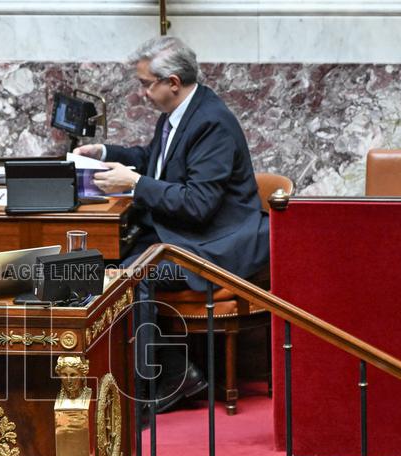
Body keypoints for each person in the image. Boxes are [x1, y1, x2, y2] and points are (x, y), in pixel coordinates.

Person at [74, 36, 268, 414]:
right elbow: (156, 161)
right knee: (105, 262)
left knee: (134, 276)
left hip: (215, 244)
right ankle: (178, 372)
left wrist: (134, 185)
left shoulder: (212, 123)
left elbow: (198, 204)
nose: (143, 92)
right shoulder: (179, 114)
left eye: (147, 84)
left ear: (173, 82)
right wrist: (106, 154)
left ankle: (148, 391)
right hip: (183, 235)